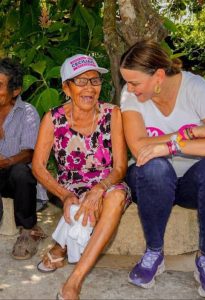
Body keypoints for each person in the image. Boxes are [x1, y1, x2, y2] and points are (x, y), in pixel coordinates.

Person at [120, 40, 205, 299]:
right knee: (154, 166)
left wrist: (169, 147)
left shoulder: (195, 87)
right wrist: (192, 133)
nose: (129, 88)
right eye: (126, 82)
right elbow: (138, 146)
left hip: (189, 184)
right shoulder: (130, 96)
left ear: (159, 76)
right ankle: (154, 252)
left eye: (135, 82)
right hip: (148, 181)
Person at [32, 54, 130, 300]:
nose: (90, 88)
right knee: (79, 203)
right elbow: (38, 167)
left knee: (116, 196)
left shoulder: (112, 114)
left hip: (108, 183)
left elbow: (119, 168)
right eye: (81, 82)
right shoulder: (52, 119)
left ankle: (73, 282)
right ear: (66, 88)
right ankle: (61, 245)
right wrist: (65, 195)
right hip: (70, 187)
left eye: (95, 81)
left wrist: (99, 189)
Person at [0, 57, 46, 259]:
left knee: (21, 172)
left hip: (12, 177)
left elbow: (30, 154)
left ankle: (28, 230)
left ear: (15, 90)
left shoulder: (27, 112)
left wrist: (7, 161)